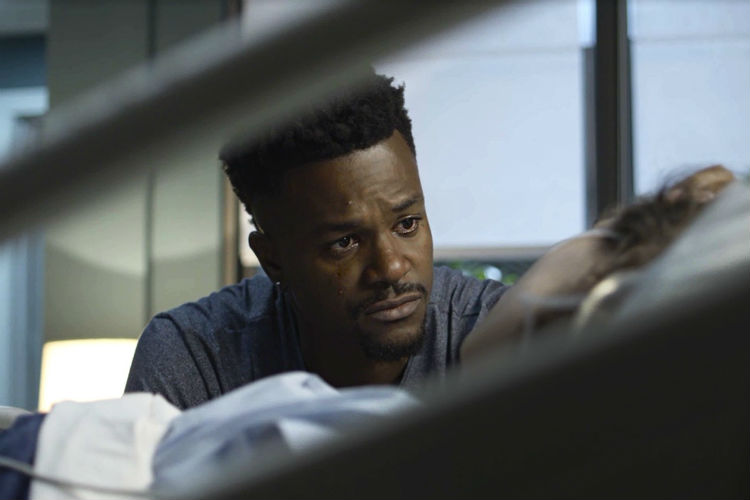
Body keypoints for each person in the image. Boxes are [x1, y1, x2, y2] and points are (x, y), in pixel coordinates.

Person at [125, 70, 508, 409]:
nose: (392, 267)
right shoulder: (195, 360)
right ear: (273, 260)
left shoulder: (493, 329)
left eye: (407, 224)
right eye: (345, 243)